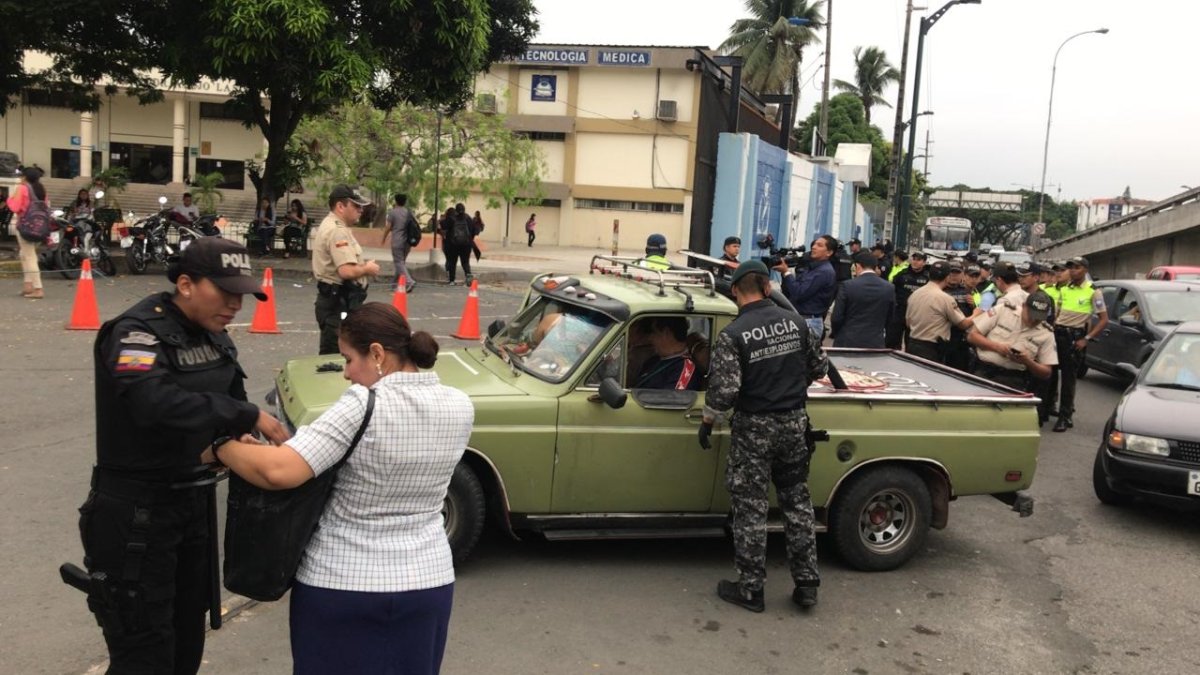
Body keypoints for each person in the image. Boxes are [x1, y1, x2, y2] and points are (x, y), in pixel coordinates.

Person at [206, 302, 473, 674]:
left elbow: (279, 472)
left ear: (377, 354)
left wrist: (223, 447)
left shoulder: (364, 403)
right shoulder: (460, 405)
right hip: (427, 584)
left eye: (349, 359)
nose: (347, 373)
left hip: (343, 586)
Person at [75, 237, 289, 673]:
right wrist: (245, 415)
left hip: (191, 510)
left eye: (242, 295)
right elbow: (151, 402)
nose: (235, 305)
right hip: (135, 516)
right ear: (187, 284)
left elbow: (226, 400)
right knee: (144, 653)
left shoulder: (215, 337)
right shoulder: (135, 332)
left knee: (186, 643)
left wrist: (235, 437)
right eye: (225, 292)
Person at [701, 260, 829, 612]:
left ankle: (750, 589)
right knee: (797, 504)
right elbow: (819, 368)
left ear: (735, 292)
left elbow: (724, 393)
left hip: (754, 429)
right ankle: (807, 585)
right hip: (793, 424)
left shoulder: (733, 334)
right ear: (768, 287)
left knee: (751, 508)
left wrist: (707, 422)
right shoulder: (797, 323)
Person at [312, 185, 379, 355]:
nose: (360, 210)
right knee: (336, 356)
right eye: (356, 206)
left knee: (340, 351)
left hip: (337, 300)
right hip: (339, 301)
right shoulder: (337, 231)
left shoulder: (333, 225)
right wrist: (367, 268)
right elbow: (346, 271)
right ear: (340, 206)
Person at [1052, 256, 1108, 433]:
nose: (1072, 271)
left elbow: (1104, 320)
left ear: (1085, 270)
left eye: (1076, 267)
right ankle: (1048, 408)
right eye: (1070, 268)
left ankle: (1065, 415)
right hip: (1058, 333)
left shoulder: (1093, 291)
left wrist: (1087, 339)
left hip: (1074, 337)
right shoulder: (1065, 289)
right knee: (1051, 374)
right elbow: (1058, 313)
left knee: (1068, 379)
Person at [968, 290, 1058, 392]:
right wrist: (997, 347)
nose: (1033, 320)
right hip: (983, 372)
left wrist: (1027, 361)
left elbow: (1046, 372)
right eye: (1031, 315)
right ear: (1024, 306)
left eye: (1038, 318)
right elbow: (972, 336)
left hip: (1013, 380)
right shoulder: (1004, 310)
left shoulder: (1046, 333)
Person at [905, 261, 975, 363]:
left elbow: (908, 323)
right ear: (947, 277)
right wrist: (977, 313)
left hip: (912, 344)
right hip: (931, 348)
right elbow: (963, 324)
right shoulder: (945, 298)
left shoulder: (915, 294)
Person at [775, 234, 838, 342]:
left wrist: (786, 273)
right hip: (800, 319)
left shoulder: (823, 272)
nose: (814, 247)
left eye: (819, 245)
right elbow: (792, 290)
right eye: (814, 244)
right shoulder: (812, 268)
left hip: (809, 322)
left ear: (829, 252)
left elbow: (799, 293)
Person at [830, 251, 895, 348]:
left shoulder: (847, 286)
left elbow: (836, 317)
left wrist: (838, 333)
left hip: (847, 341)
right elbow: (890, 318)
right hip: (875, 342)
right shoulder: (889, 288)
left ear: (858, 266)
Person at [7, 166, 49, 298]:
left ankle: (38, 288)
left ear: (25, 177)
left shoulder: (22, 188)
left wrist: (10, 198)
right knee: (24, 254)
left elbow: (15, 206)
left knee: (29, 256)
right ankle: (28, 285)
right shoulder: (41, 189)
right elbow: (46, 205)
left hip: (25, 226)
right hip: (40, 227)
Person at [632, 316, 702, 390]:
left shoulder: (686, 368)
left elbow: (673, 398)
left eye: (653, 333)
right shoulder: (652, 361)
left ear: (666, 333)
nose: (650, 338)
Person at [888, 251, 930, 348]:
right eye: (914, 259)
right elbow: (892, 289)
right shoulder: (902, 274)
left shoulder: (927, 277)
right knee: (893, 341)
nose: (915, 262)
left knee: (911, 343)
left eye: (918, 260)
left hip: (916, 314)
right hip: (900, 311)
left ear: (924, 262)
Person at [381, 194, 417, 292]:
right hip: (408, 242)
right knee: (401, 262)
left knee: (398, 262)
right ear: (405, 202)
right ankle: (394, 283)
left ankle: (409, 281)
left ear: (396, 201)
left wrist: (383, 238)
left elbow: (388, 227)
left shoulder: (392, 212)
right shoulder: (409, 212)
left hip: (397, 241)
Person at [441, 203, 475, 285]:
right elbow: (474, 230)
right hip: (466, 245)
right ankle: (468, 275)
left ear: (456, 210)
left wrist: (445, 217)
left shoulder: (452, 218)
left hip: (453, 244)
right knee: (465, 262)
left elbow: (443, 226)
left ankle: (452, 280)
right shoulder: (468, 218)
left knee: (452, 262)